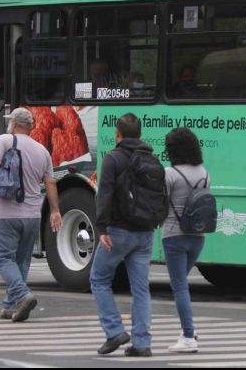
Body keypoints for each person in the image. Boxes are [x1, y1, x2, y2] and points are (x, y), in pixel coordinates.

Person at [0, 108, 62, 322]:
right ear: (30, 126)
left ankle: (22, 295)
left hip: (6, 214)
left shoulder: (3, 140)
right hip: (32, 215)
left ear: (13, 123)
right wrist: (55, 211)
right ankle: (10, 305)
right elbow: (50, 183)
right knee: (22, 260)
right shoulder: (42, 151)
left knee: (2, 257)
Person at [90, 113, 155, 358]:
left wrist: (102, 228)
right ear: (139, 135)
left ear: (118, 135)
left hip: (119, 231)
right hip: (145, 232)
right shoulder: (150, 157)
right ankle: (142, 343)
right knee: (140, 288)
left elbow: (104, 195)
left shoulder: (112, 158)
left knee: (99, 279)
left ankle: (114, 330)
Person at [163, 127, 209, 353]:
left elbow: (162, 205)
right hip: (198, 237)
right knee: (181, 283)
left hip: (174, 237)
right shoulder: (204, 172)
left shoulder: (169, 174)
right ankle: (188, 329)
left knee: (179, 286)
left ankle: (189, 336)